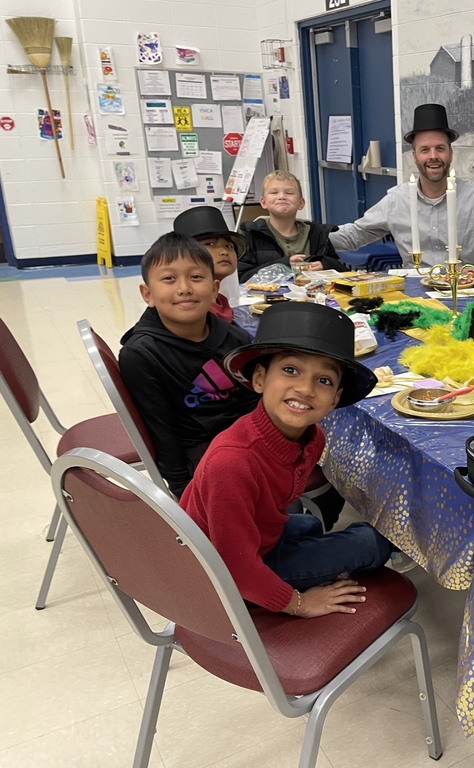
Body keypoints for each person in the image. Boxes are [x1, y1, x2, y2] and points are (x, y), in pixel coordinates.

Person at [182, 302, 395, 616]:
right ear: (258, 379)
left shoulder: (314, 438)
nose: (306, 388)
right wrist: (299, 603)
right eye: (290, 370)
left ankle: (315, 564)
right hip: (218, 577)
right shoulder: (231, 463)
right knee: (371, 542)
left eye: (324, 380)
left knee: (308, 523)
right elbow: (233, 565)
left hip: (255, 542)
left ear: (336, 398)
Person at [329, 103, 474, 267]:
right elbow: (354, 235)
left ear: (450, 153)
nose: (433, 156)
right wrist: (301, 239)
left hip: (468, 295)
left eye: (439, 148)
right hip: (415, 297)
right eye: (425, 150)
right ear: (414, 156)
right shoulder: (396, 201)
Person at [119, 232, 260, 497]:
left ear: (215, 289)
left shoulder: (235, 336)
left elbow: (250, 404)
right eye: (169, 279)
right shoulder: (141, 355)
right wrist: (181, 488)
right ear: (147, 294)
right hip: (197, 453)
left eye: (196, 277)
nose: (184, 287)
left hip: (243, 441)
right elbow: (161, 430)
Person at [238, 171, 345, 282]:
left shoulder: (317, 233)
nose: (282, 197)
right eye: (274, 192)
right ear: (263, 202)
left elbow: (342, 271)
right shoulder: (251, 234)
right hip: (268, 298)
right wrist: (283, 264)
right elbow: (241, 278)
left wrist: (325, 264)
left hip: (313, 296)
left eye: (289, 193)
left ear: (301, 203)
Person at [173, 206, 246, 323]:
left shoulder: (220, 300)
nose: (224, 252)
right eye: (210, 244)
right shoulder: (189, 307)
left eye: (229, 246)